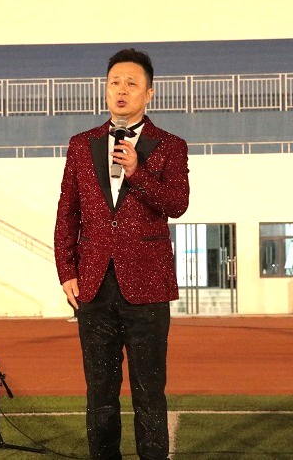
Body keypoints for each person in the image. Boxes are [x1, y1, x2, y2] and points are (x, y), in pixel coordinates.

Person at [54, 48, 190, 460]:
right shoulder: (81, 145)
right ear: (105, 90)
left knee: (149, 392)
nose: (121, 90)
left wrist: (137, 172)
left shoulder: (170, 146)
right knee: (99, 393)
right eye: (114, 82)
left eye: (131, 83)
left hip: (148, 286)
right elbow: (67, 212)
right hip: (94, 285)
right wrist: (66, 271)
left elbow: (177, 204)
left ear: (149, 93)